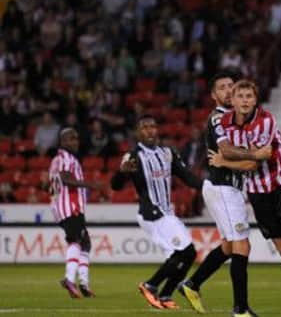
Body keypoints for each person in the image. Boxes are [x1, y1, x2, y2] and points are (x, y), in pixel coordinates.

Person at [178, 71, 270, 317]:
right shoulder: (219, 118)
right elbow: (226, 151)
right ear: (213, 95)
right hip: (223, 188)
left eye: (232, 85)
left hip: (227, 188)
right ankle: (240, 310)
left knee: (230, 246)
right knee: (242, 245)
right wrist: (255, 155)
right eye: (222, 88)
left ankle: (192, 283)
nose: (229, 90)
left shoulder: (236, 119)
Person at [212, 80, 281, 301]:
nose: (245, 100)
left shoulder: (264, 121)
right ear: (233, 100)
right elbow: (228, 150)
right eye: (241, 96)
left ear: (255, 99)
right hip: (257, 191)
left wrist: (224, 161)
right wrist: (232, 154)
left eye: (249, 96)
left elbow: (253, 163)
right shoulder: (224, 122)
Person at [110, 114, 204, 310]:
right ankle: (150, 285)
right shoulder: (134, 156)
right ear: (137, 132)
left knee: (187, 255)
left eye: (152, 126)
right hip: (152, 213)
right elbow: (116, 186)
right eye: (144, 127)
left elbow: (187, 177)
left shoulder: (167, 153)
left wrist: (210, 187)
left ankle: (165, 295)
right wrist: (122, 172)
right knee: (185, 251)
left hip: (167, 213)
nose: (150, 130)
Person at [49, 128, 102, 299]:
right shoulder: (65, 157)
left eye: (77, 138)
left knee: (85, 243)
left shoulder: (57, 159)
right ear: (63, 141)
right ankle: (69, 279)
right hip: (70, 206)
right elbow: (65, 178)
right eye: (71, 139)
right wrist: (90, 185)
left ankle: (84, 284)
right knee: (76, 241)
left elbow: (51, 184)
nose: (75, 142)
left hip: (64, 206)